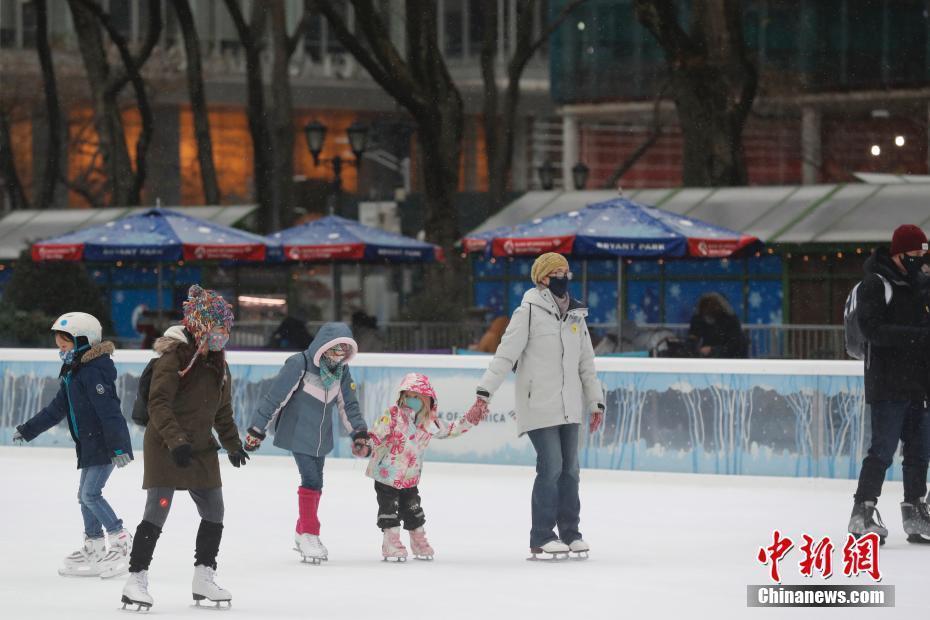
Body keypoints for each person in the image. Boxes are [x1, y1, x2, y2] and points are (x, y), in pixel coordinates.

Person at [120, 285, 249, 611]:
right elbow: (158, 404)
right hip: (166, 444)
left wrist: (233, 444)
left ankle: (204, 576)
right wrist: (176, 441)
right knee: (158, 509)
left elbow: (222, 409)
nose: (224, 335)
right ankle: (135, 579)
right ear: (202, 326)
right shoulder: (174, 357)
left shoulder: (218, 363)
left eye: (226, 329)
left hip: (201, 447)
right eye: (219, 328)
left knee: (214, 510)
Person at [472, 252, 605, 560]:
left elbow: (586, 362)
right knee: (552, 466)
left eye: (566, 272)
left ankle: (571, 533)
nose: (564, 277)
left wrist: (596, 401)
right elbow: (504, 356)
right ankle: (542, 535)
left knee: (571, 469)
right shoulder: (528, 312)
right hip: (538, 403)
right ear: (543, 278)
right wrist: (484, 393)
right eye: (557, 272)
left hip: (570, 403)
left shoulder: (576, 314)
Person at [14, 312, 134, 578]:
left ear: (84, 340)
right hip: (89, 445)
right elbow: (57, 409)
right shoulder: (73, 372)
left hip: (104, 444)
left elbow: (110, 411)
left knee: (91, 494)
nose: (60, 342)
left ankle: (120, 538)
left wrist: (118, 448)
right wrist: (28, 430)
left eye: (66, 338)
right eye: (58, 337)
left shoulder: (93, 372)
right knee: (84, 496)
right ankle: (94, 546)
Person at [243, 322, 371, 564]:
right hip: (297, 432)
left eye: (345, 350)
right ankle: (310, 533)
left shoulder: (341, 372)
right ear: (323, 346)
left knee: (317, 483)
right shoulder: (299, 364)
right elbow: (274, 398)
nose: (340, 355)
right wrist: (257, 430)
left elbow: (349, 405)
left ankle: (302, 531)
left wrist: (359, 433)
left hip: (321, 437)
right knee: (311, 479)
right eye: (336, 349)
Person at [848, 224, 930, 545]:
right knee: (882, 450)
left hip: (920, 383)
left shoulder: (921, 285)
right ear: (898, 254)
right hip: (888, 383)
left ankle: (915, 511)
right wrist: (919, 337)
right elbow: (873, 331)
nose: (921, 260)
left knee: (920, 451)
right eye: (915, 254)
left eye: (925, 254)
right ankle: (863, 512)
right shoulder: (876, 284)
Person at [366, 373, 488, 561]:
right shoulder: (393, 414)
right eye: (408, 396)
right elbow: (376, 433)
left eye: (417, 397)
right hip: (387, 474)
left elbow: (452, 429)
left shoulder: (429, 422)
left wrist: (470, 419)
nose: (411, 400)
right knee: (389, 510)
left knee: (413, 510)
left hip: (410, 478)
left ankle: (418, 541)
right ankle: (390, 543)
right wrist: (366, 445)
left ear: (427, 400)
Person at [686, 292, 747, 358]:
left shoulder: (730, 320)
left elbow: (735, 344)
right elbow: (693, 338)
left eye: (712, 305)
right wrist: (695, 347)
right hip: (707, 357)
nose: (709, 309)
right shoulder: (699, 319)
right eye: (706, 306)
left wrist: (714, 350)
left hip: (728, 358)